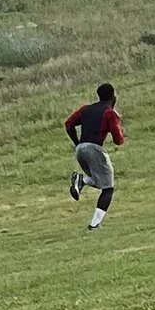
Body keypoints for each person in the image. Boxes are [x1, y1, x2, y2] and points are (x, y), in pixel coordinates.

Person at [66, 82, 123, 228]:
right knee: (108, 188)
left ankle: (82, 180)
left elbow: (69, 124)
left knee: (99, 180)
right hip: (94, 149)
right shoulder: (109, 113)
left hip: (81, 149)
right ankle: (95, 224)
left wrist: (77, 143)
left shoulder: (86, 109)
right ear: (113, 96)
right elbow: (118, 140)